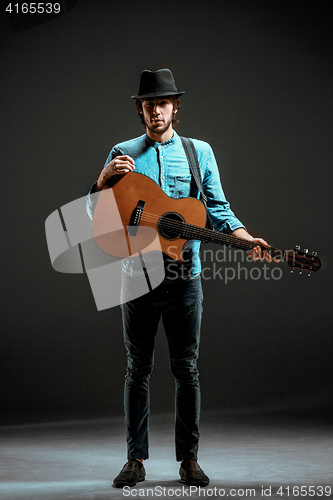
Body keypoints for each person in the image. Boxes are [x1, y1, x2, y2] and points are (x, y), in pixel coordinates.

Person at [89, 69, 276, 489]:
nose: (156, 110)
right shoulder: (122, 152)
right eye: (148, 104)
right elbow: (96, 219)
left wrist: (244, 239)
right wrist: (102, 181)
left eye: (163, 103)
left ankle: (188, 459)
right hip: (136, 278)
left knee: (186, 369)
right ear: (141, 110)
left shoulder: (198, 153)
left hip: (184, 278)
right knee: (138, 369)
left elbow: (217, 208)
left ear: (175, 107)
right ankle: (135, 460)